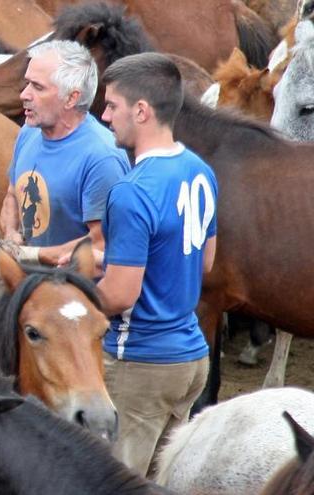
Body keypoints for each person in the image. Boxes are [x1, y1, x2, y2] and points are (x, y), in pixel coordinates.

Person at [96, 52, 218, 476]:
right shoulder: (200, 170)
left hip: (141, 364)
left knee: (116, 481)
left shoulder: (131, 192)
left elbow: (118, 295)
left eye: (112, 106)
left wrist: (74, 290)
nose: (106, 116)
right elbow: (204, 261)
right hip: (191, 361)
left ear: (141, 111)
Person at [0, 40, 130, 265]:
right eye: (27, 83)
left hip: (74, 292)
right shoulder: (28, 133)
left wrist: (33, 256)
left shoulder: (102, 158)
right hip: (28, 283)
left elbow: (101, 243)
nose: (24, 95)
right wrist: (11, 234)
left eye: (37, 87)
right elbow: (12, 195)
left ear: (72, 98)